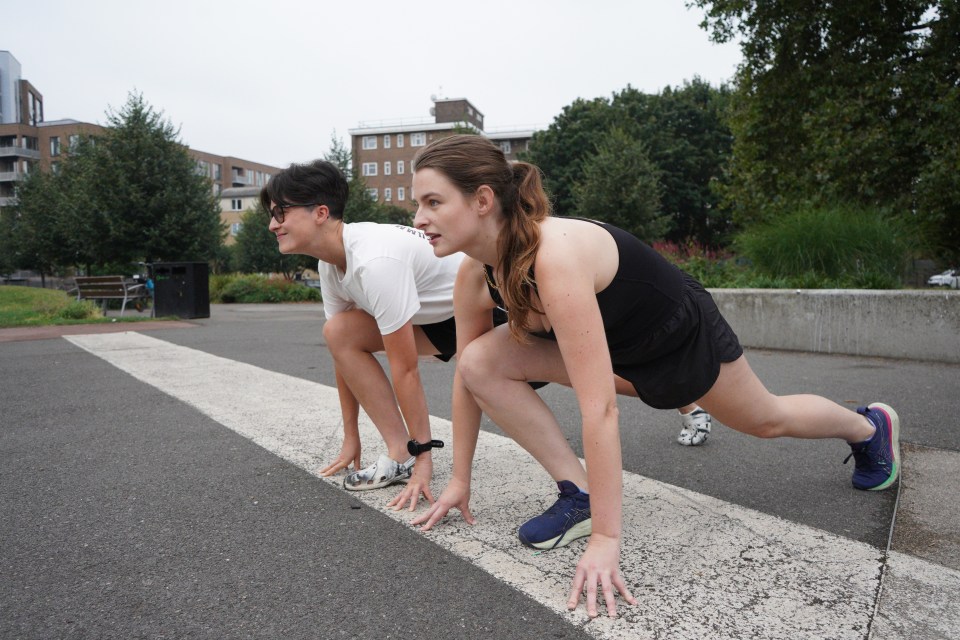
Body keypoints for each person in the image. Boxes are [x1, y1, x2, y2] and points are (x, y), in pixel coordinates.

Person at [407, 135, 900, 618]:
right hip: (613, 348)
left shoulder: (553, 256)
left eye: (433, 201)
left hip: (673, 336)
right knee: (478, 362)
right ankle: (578, 494)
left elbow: (598, 408)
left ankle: (870, 427)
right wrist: (459, 481)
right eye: (416, 204)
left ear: (483, 200)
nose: (418, 219)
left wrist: (608, 539)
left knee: (765, 418)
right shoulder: (475, 272)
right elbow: (467, 382)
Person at [260, 159, 464, 511]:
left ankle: (413, 455)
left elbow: (406, 370)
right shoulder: (330, 264)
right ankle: (399, 452)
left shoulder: (374, 259)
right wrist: (350, 437)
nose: (272, 225)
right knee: (338, 331)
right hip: (431, 317)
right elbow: (342, 353)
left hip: (477, 309)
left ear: (320, 212)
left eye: (280, 213)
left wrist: (425, 461)